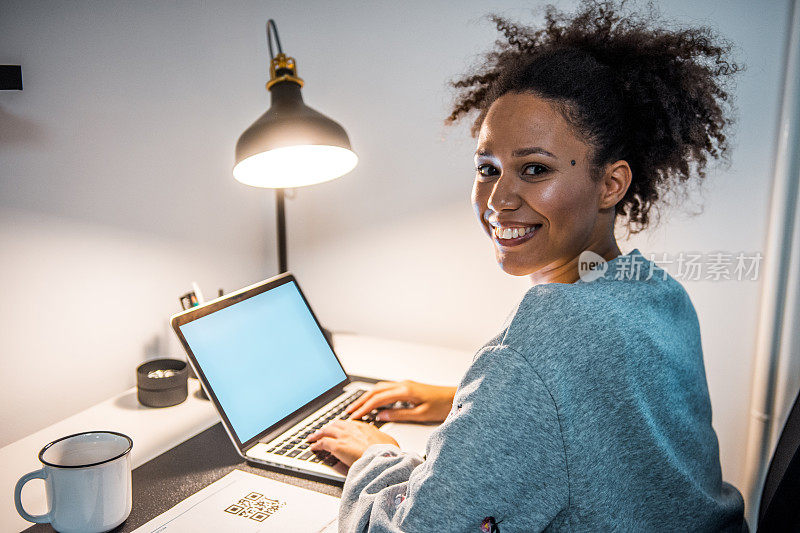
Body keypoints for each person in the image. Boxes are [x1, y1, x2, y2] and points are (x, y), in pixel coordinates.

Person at [306, 1, 748, 530]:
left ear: (611, 184)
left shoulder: (539, 347)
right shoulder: (656, 289)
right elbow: (605, 411)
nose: (498, 199)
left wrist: (376, 455)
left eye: (534, 168)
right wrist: (462, 404)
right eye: (487, 168)